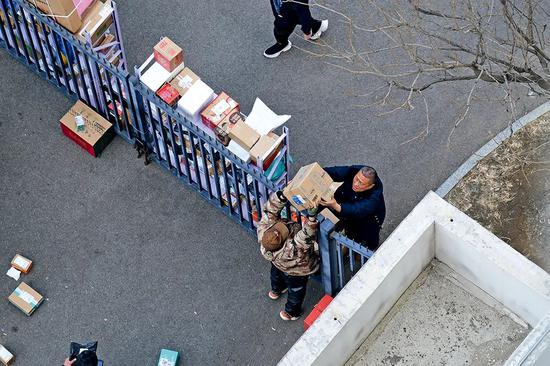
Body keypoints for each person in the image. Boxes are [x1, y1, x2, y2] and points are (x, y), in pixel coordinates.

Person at [257, 190, 320, 320]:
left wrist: (281, 196)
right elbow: (306, 235)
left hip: (278, 263)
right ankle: (291, 312)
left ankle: (276, 290)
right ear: (283, 242)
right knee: (296, 291)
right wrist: (312, 217)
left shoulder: (265, 233)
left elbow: (269, 211)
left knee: (276, 275)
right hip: (298, 271)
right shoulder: (291, 248)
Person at [320, 165, 386, 251]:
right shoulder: (354, 170)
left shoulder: (374, 198)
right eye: (356, 179)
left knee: (365, 236)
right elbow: (335, 172)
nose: (356, 184)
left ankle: (367, 250)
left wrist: (336, 206)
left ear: (370, 186)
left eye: (361, 183)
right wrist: (318, 173)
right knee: (347, 226)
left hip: (367, 220)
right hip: (346, 201)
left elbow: (357, 210)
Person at [264, 0, 329, 58]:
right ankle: (316, 26)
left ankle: (282, 44)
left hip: (286, 17)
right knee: (299, 18)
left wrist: (307, 31)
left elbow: (304, 12)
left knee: (280, 30)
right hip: (285, 10)